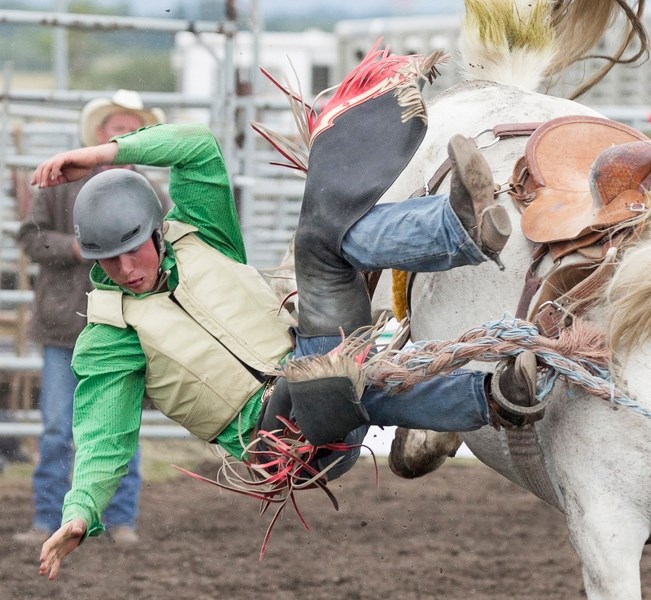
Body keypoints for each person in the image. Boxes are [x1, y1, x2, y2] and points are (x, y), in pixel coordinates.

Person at [30, 118, 541, 580]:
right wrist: (80, 512)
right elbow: (104, 435)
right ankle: (485, 399)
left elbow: (198, 148)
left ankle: (461, 233)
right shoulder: (111, 333)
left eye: (132, 250)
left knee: (325, 242)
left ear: (157, 232)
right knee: (325, 382)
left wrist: (104, 154)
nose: (126, 270)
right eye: (109, 261)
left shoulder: (202, 234)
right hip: (279, 443)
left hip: (310, 355)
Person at [13, 90, 167, 546]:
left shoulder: (148, 192)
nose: (122, 135)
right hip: (68, 326)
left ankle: (117, 518)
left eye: (130, 128)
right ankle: (50, 518)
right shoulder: (61, 186)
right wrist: (75, 248)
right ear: (100, 135)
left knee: (118, 427)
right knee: (59, 428)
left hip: (119, 329)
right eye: (116, 127)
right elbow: (31, 238)